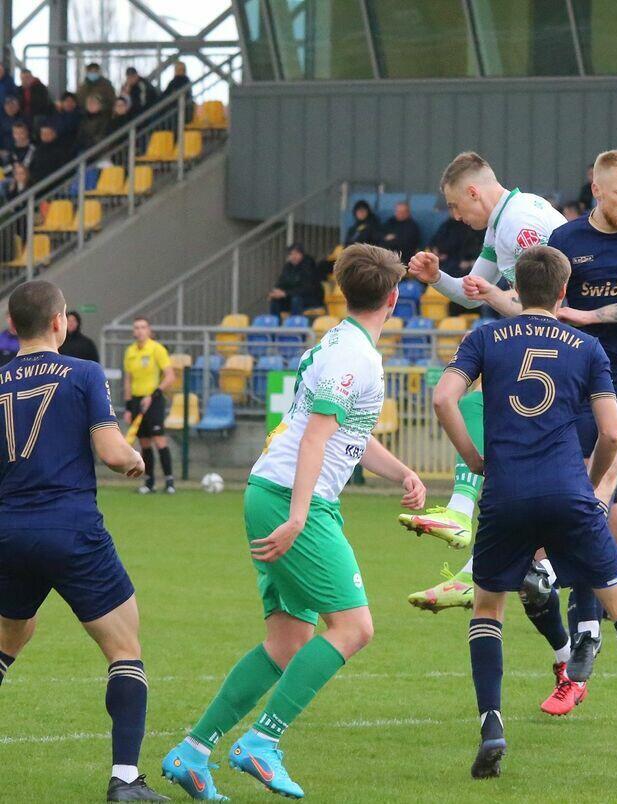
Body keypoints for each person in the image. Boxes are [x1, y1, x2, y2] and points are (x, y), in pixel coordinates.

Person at [161, 245, 426, 800]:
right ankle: (261, 742)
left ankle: (192, 751)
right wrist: (301, 514)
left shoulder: (340, 342)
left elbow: (344, 434)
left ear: (342, 293)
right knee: (354, 628)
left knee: (287, 642)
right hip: (290, 498)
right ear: (395, 297)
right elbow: (315, 438)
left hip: (273, 492)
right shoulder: (355, 355)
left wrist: (402, 471)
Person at [434, 245, 617, 779]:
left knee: (487, 611)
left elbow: (444, 399)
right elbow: (612, 434)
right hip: (568, 492)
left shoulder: (485, 337)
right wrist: (594, 482)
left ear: (516, 289)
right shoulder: (586, 346)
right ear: (564, 291)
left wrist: (474, 459)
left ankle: (492, 728)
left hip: (506, 493)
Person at [468, 150, 617, 686]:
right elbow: (538, 310)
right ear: (596, 190)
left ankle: (582, 624)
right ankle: (573, 612)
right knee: (597, 509)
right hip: (580, 384)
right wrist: (490, 294)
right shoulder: (565, 242)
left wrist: (590, 314)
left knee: (601, 486)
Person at [402, 152, 581, 713]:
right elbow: (479, 290)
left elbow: (542, 305)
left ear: (475, 194)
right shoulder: (503, 222)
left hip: (561, 360)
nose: (456, 217)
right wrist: (437, 279)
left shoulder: (522, 223)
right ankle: (566, 657)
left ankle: (466, 533)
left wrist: (497, 308)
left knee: (482, 409)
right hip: (552, 356)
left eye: (456, 206)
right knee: (532, 572)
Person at [0, 280, 167, 801]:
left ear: (12, 326)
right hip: (71, 528)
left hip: (8, 530)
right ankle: (125, 780)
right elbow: (112, 452)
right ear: (60, 322)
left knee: (8, 640)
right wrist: (135, 459)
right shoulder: (84, 372)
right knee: (123, 648)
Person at [122, 317, 176, 495]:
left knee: (159, 439)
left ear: (149, 330)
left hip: (154, 400)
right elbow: (128, 380)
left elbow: (170, 376)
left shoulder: (156, 349)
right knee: (144, 442)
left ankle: (169, 481)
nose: (139, 331)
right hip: (137, 401)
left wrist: (154, 394)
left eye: (143, 327)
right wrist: (128, 406)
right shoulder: (130, 351)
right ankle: (149, 481)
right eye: (136, 328)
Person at [269, 244, 321, 317]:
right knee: (275, 300)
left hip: (310, 298)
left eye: (296, 254)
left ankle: (295, 323)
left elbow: (307, 289)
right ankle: (275, 323)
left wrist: (285, 293)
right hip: (291, 296)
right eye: (291, 254)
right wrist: (276, 292)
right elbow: (281, 282)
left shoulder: (308, 266)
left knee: (296, 300)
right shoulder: (288, 267)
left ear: (302, 254)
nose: (293, 256)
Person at [426, 213, 480, 279]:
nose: (453, 212)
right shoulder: (448, 223)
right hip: (442, 261)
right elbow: (434, 241)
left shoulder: (472, 228)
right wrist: (435, 250)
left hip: (459, 265)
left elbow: (469, 253)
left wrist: (469, 262)